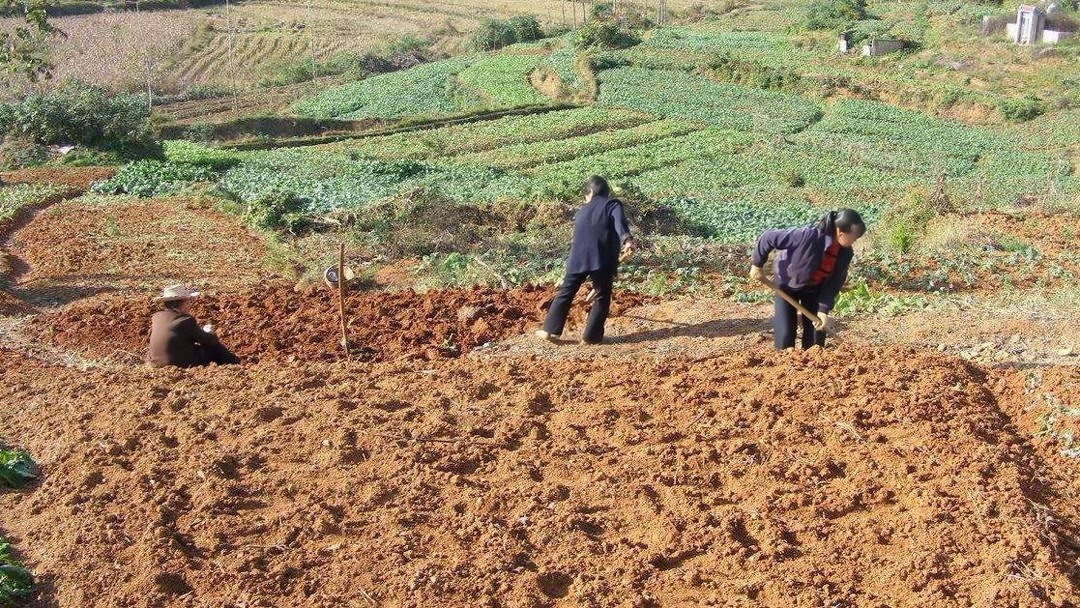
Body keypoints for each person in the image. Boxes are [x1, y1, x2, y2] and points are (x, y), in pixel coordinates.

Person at [535, 175, 637, 345]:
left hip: (577, 260)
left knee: (566, 293)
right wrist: (627, 240)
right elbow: (620, 223)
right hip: (601, 260)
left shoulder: (582, 211)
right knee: (602, 296)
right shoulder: (612, 204)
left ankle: (549, 330)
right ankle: (591, 337)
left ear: (590, 192)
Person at [750, 208, 866, 350]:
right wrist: (757, 264)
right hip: (787, 286)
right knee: (785, 334)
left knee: (816, 336)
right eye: (853, 237)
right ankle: (785, 364)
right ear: (840, 232)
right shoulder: (807, 236)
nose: (854, 241)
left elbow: (835, 283)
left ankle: (813, 368)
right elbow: (768, 237)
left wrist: (823, 309)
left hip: (815, 289)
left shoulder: (845, 253)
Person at [147, 284, 240, 368]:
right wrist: (210, 333)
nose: (189, 306)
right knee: (213, 347)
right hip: (178, 364)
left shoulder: (156, 317)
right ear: (180, 303)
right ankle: (235, 363)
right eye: (188, 303)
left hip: (154, 362)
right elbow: (207, 340)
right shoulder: (186, 320)